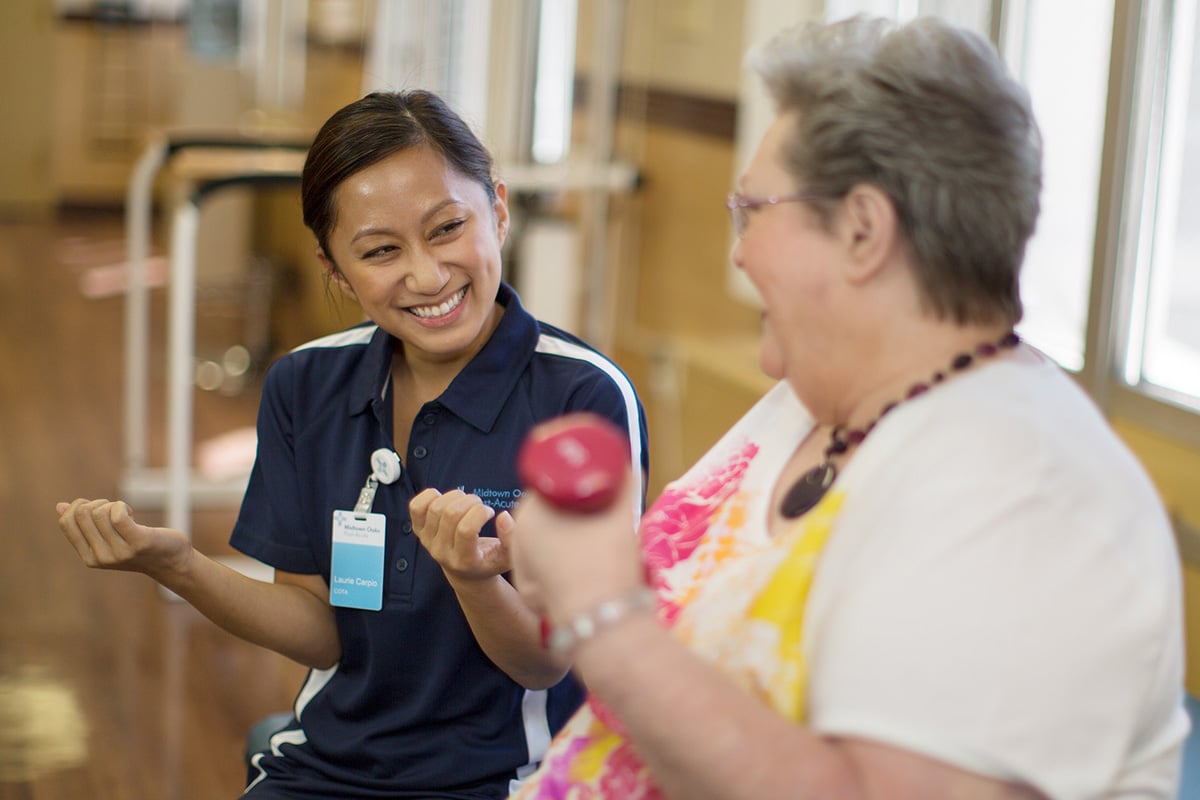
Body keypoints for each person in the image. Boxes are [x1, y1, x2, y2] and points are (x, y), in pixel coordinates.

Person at [504, 15, 1189, 800]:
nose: (739, 249)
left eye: (754, 211)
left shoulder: (1026, 490)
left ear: (863, 230)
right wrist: (569, 570)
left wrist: (602, 614)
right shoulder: (807, 406)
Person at [55, 89, 649, 800]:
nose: (427, 276)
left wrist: (473, 579)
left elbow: (547, 664)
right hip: (324, 769)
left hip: (508, 780)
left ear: (497, 208)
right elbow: (322, 631)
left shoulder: (581, 397)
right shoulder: (305, 384)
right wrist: (179, 565)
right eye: (380, 251)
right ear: (335, 269)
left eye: (448, 228)